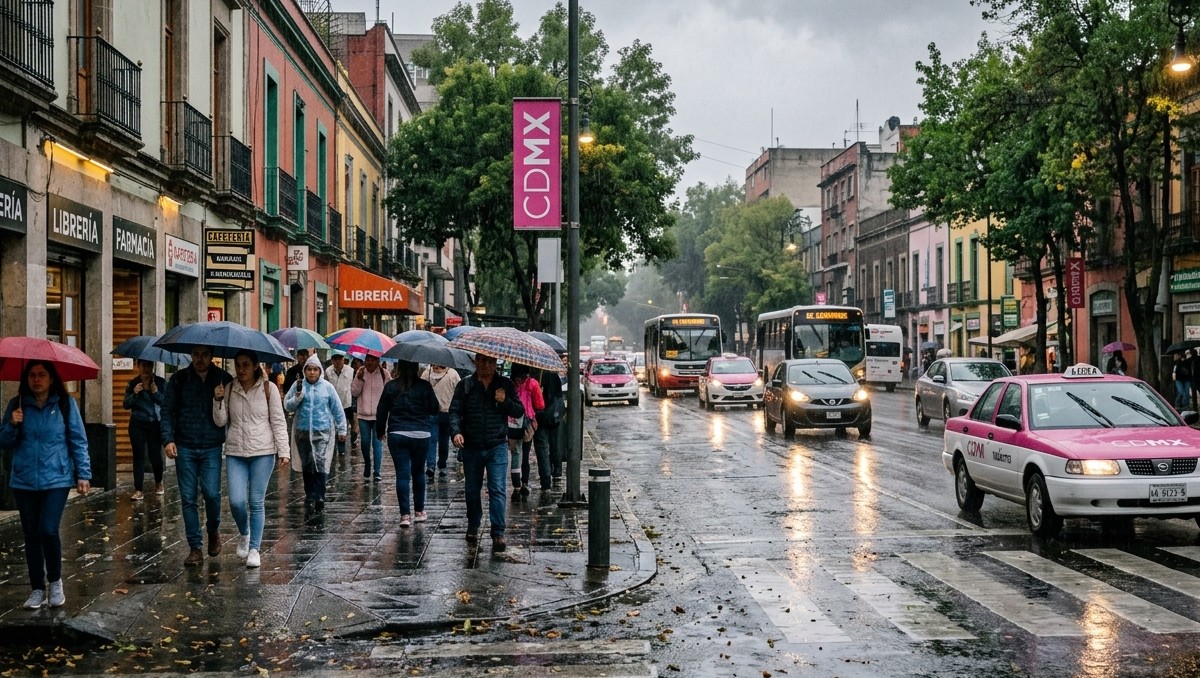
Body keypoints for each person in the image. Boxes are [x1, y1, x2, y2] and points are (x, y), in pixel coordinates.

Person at [0, 361, 90, 610]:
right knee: (31, 534)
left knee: (48, 529)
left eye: (42, 375)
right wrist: (12, 424)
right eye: (32, 375)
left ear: (52, 379)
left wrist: (84, 473)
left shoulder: (65, 404)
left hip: (56, 478)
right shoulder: (16, 405)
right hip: (24, 479)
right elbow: (5, 442)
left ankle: (56, 581)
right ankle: (37, 588)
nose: (36, 380)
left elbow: (78, 440)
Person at [213, 350, 289, 568]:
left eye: (245, 364)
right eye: (237, 365)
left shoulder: (269, 388)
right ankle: (244, 533)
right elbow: (220, 422)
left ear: (256, 366)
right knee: (236, 501)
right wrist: (217, 400)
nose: (241, 369)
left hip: (263, 451)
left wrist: (284, 450)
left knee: (256, 501)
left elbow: (277, 420)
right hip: (236, 450)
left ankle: (255, 548)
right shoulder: (229, 388)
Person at [161, 346, 233, 567]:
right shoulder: (179, 379)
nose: (200, 359)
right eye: (196, 354)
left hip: (211, 445)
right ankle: (195, 547)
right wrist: (168, 439)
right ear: (191, 356)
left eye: (204, 355)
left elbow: (231, 412)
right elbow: (166, 411)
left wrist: (220, 399)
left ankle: (213, 530)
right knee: (189, 498)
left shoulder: (223, 378)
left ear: (211, 356)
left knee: (212, 494)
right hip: (185, 446)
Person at [449, 353, 525, 553]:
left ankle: (498, 532)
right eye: (481, 360)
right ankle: (473, 524)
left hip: (497, 445)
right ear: (475, 362)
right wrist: (456, 432)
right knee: (472, 490)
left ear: (495, 363)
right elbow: (455, 411)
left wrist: (504, 401)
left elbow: (519, 411)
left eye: (489, 361)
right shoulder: (465, 385)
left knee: (497, 489)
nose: (484, 365)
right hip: (472, 446)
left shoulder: (505, 385)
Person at [377, 360, 440, 527]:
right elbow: (435, 408)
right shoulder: (424, 386)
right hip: (421, 434)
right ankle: (419, 511)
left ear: (399, 367)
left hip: (397, 434)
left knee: (402, 474)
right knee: (418, 472)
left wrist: (380, 430)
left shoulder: (391, 386)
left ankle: (405, 515)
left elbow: (382, 410)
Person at [285, 354, 346, 514]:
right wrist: (297, 399)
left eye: (315, 370)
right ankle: (310, 494)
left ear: (320, 371)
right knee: (308, 465)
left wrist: (342, 429)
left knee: (320, 463)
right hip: (302, 432)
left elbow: (337, 409)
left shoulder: (327, 388)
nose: (312, 373)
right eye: (309, 369)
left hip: (323, 432)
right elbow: (287, 405)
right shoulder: (298, 385)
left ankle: (320, 494)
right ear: (305, 371)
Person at [122, 359, 165, 501]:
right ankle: (138, 489)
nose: (146, 368)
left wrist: (156, 393)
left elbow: (167, 403)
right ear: (138, 366)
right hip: (137, 424)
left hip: (154, 423)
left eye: (149, 365)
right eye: (143, 365)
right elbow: (126, 405)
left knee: (155, 455)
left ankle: (159, 482)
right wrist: (134, 394)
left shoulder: (160, 382)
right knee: (138, 456)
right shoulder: (133, 383)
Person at [351, 353, 391, 481]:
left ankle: (377, 471)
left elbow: (389, 391)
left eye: (373, 360)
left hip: (379, 416)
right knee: (365, 442)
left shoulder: (385, 374)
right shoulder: (360, 373)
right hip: (363, 414)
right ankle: (367, 462)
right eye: (367, 360)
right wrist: (360, 379)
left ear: (378, 361)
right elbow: (354, 392)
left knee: (377, 443)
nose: (370, 363)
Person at [507, 363, 544, 498]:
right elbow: (540, 405)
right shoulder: (532, 384)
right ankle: (524, 483)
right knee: (525, 454)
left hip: (512, 423)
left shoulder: (508, 384)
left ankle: (516, 486)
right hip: (527, 423)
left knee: (515, 453)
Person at [422, 363, 461, 478]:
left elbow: (421, 388)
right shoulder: (453, 374)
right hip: (447, 411)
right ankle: (442, 465)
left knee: (432, 440)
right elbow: (459, 392)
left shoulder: (427, 372)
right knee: (443, 440)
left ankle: (431, 466)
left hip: (432, 411)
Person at [535, 361, 565, 488]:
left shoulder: (537, 376)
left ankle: (546, 479)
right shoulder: (554, 376)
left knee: (542, 448)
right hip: (554, 416)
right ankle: (557, 472)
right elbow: (558, 394)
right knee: (555, 444)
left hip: (541, 415)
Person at [324, 352, 354, 456]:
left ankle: (341, 449)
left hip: (346, 403)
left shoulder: (350, 371)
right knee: (333, 426)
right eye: (335, 359)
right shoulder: (328, 371)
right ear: (332, 360)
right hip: (332, 404)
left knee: (343, 425)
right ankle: (332, 448)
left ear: (343, 360)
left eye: (339, 359)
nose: (337, 361)